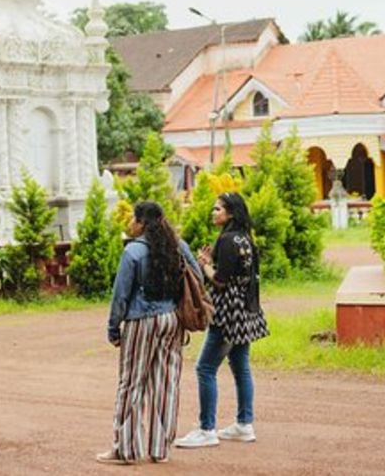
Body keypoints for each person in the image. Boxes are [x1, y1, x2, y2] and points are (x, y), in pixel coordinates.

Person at [98, 200, 201, 465]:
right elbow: (198, 276)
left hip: (140, 321)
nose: (130, 224)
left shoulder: (133, 251)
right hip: (171, 320)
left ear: (142, 223)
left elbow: (121, 296)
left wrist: (113, 328)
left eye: (133, 219)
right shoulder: (178, 246)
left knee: (131, 384)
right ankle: (160, 449)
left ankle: (126, 449)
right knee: (166, 383)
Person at [175, 192, 269, 449]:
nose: (213, 212)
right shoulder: (246, 239)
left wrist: (205, 264)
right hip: (246, 310)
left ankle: (207, 429)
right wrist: (210, 263)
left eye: (218, 209)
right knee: (241, 366)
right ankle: (244, 424)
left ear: (231, 213)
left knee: (205, 368)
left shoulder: (228, 240)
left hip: (228, 312)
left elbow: (220, 281)